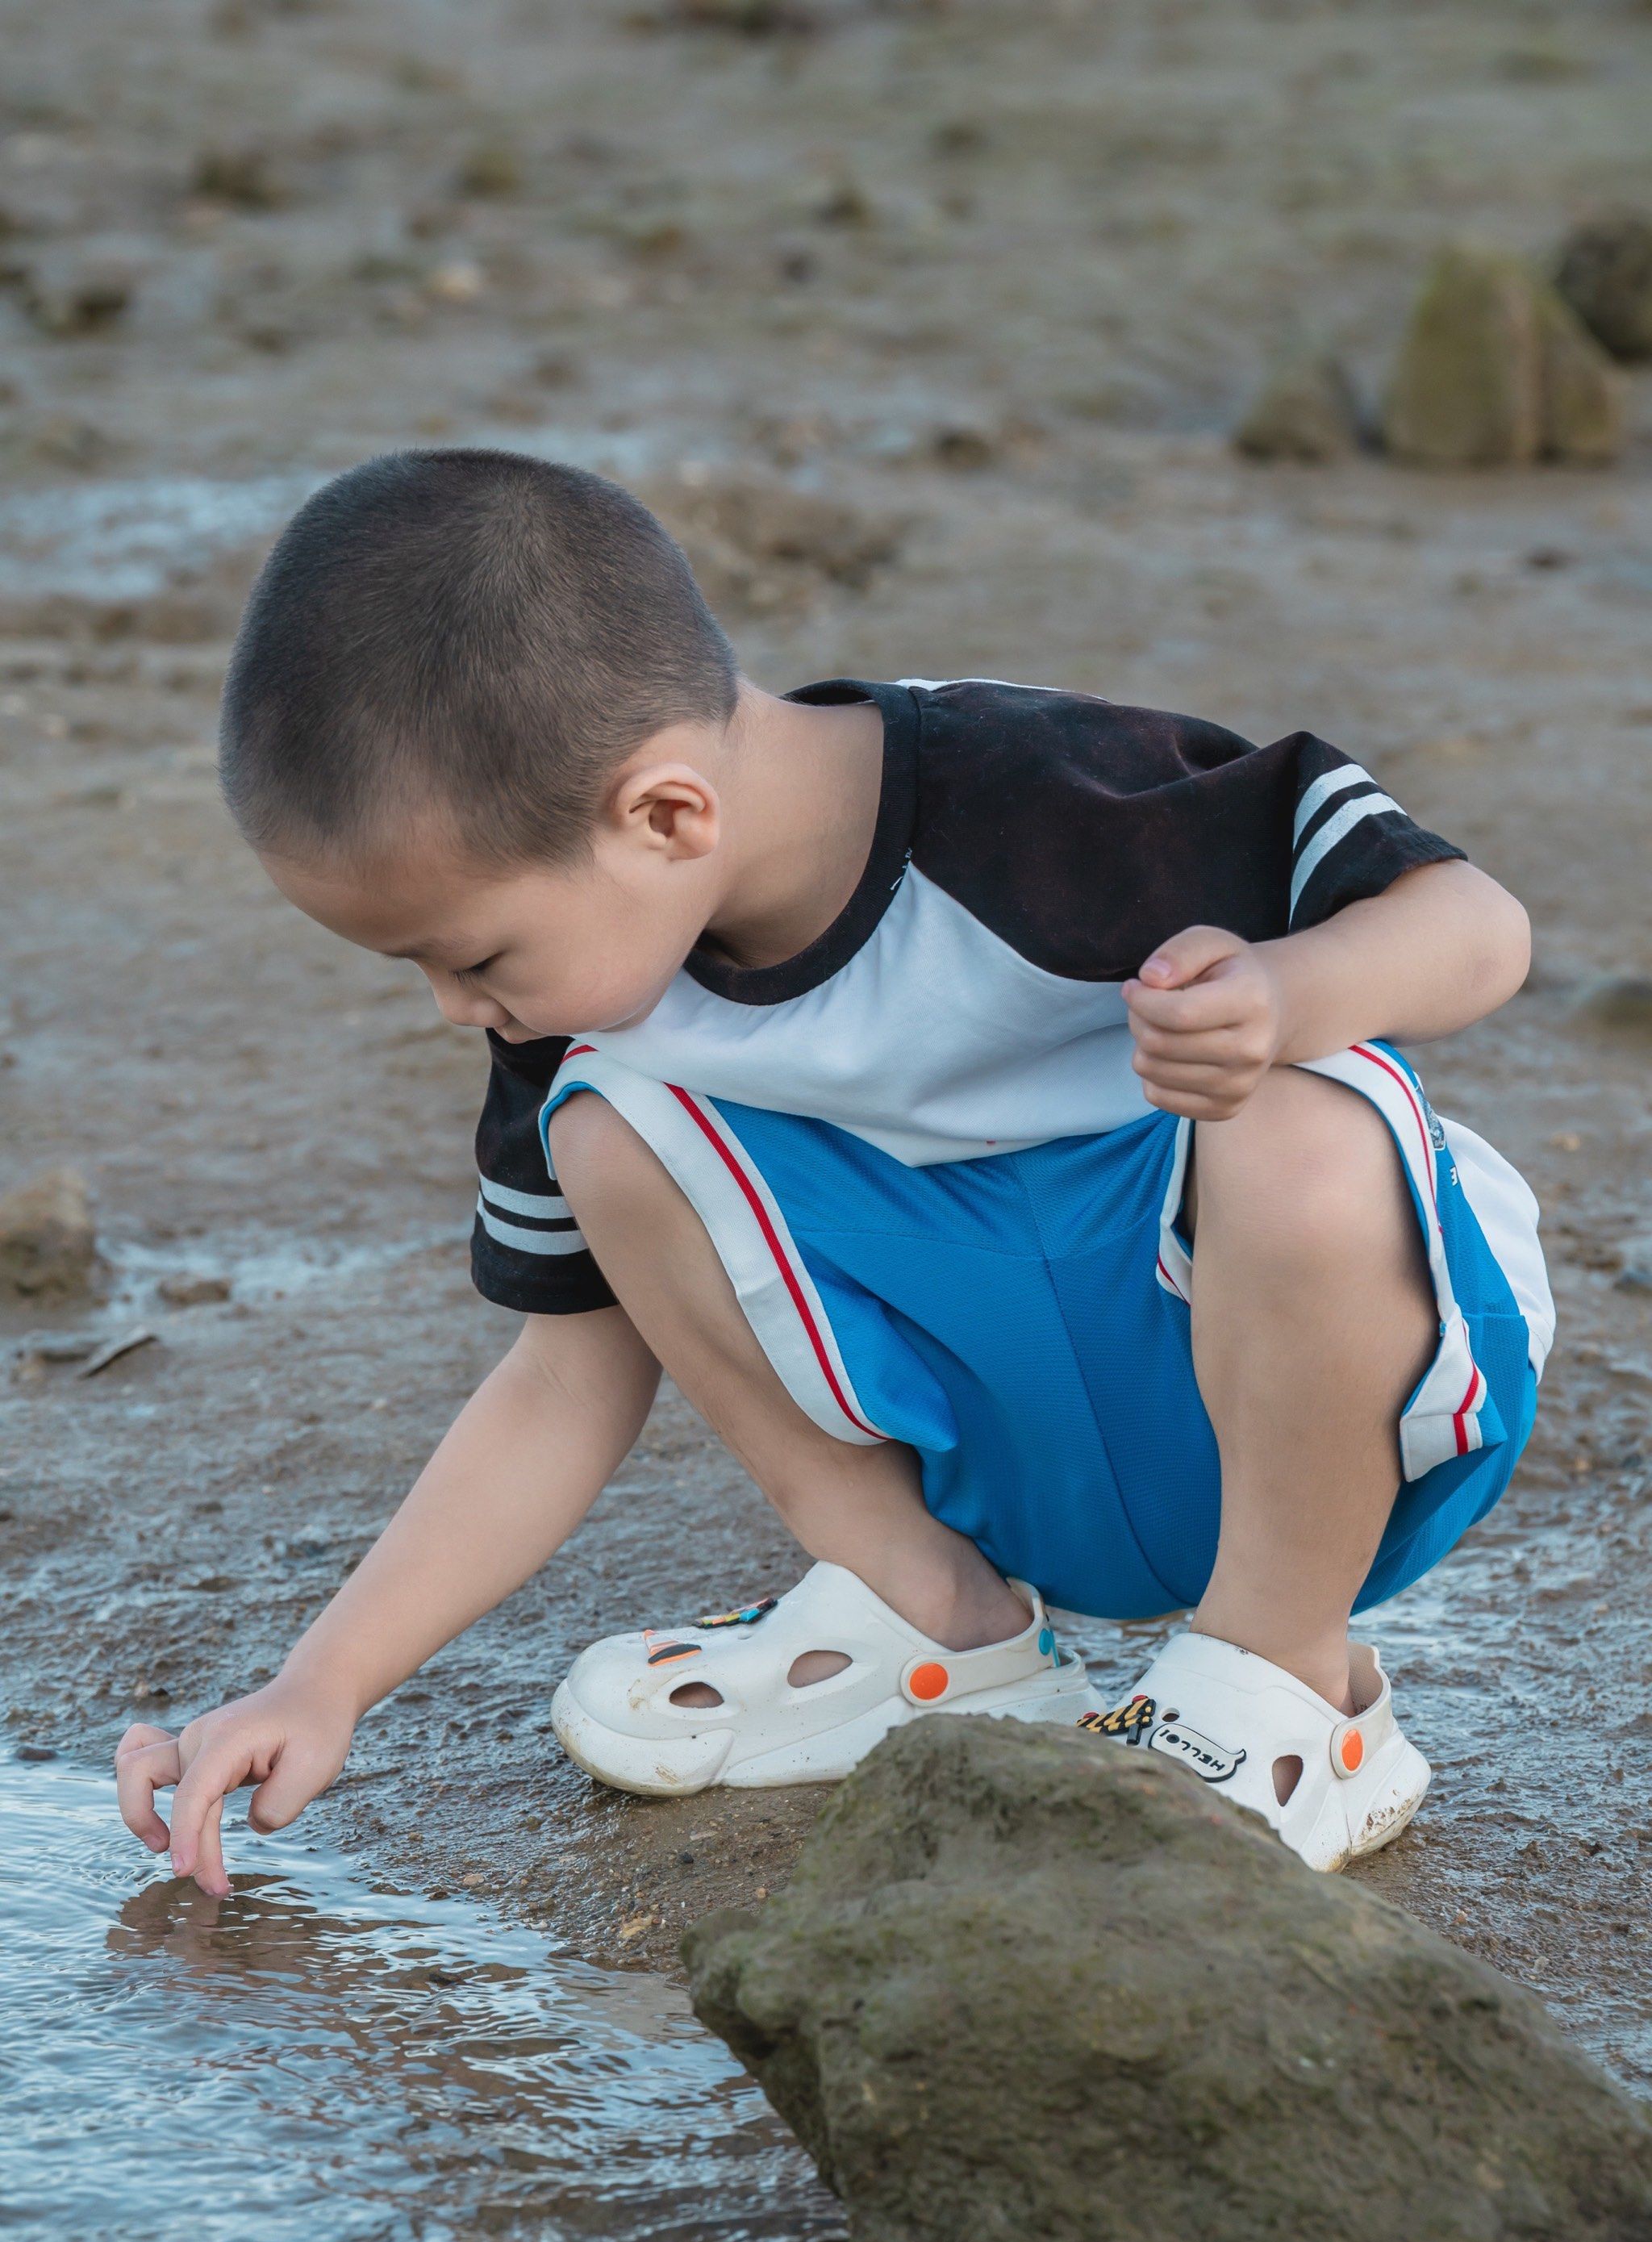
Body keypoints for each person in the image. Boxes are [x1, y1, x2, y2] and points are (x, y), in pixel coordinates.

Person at [114, 449, 1550, 1893]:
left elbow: (1477, 926)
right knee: (611, 1129)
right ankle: (938, 1621)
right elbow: (567, 1373)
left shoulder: (1055, 800)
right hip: (1013, 1458)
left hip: (1337, 1427)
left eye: (470, 954)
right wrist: (323, 1682)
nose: (449, 1005)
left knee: (1305, 1118)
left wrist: (1289, 996)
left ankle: (1284, 1689)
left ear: (666, 817)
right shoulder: (584, 1020)